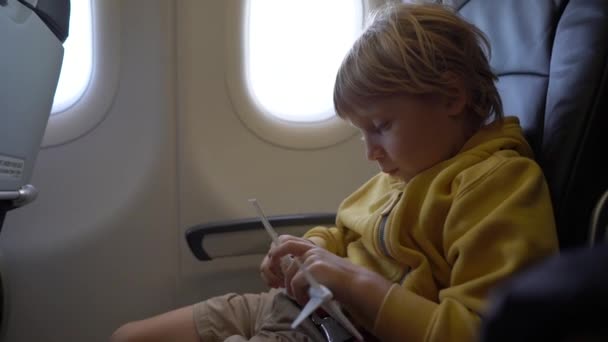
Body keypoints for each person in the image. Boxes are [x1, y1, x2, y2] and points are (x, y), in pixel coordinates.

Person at [111, 2, 559, 341]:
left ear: (451, 97)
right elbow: (345, 234)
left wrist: (352, 282)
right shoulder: (404, 173)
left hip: (338, 330)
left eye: (381, 126)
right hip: (299, 305)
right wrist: (307, 249)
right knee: (128, 337)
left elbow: (478, 331)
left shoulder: (495, 186)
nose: (371, 152)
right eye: (362, 132)